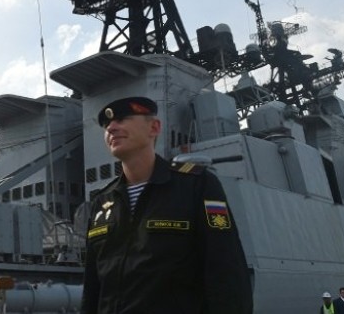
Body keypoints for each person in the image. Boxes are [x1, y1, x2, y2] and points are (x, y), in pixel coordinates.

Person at [81, 97, 252, 313]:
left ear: (154, 127)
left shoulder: (196, 184)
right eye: (107, 126)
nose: (112, 128)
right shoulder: (102, 201)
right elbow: (92, 286)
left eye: (123, 119)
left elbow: (227, 273)